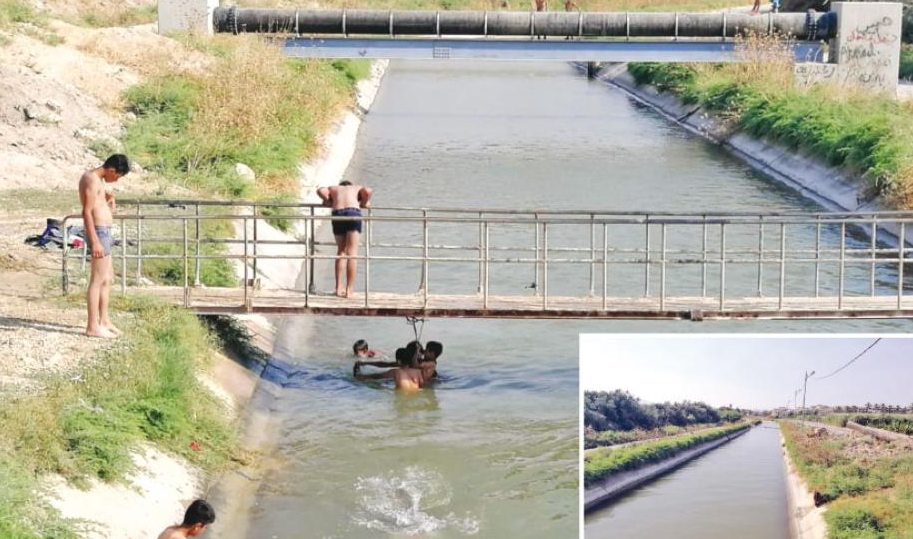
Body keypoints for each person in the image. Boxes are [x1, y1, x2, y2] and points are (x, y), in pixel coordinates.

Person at [79, 154, 130, 339]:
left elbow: (97, 199)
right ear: (111, 169)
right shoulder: (90, 179)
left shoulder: (98, 181)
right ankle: (92, 326)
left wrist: (108, 197)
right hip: (98, 233)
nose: (116, 180)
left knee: (107, 278)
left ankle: (105, 320)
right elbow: (86, 212)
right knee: (97, 279)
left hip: (104, 232)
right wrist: (94, 241)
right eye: (117, 176)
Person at [316, 180, 373, 298]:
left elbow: (320, 190)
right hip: (353, 213)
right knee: (352, 253)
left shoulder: (334, 188)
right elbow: (368, 191)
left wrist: (327, 201)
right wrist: (365, 202)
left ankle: (338, 288)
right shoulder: (357, 187)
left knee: (341, 251)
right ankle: (349, 290)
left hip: (338, 213)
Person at [353, 345, 437, 392]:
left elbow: (376, 376)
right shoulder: (419, 372)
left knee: (375, 385)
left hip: (402, 397)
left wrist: (357, 377)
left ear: (399, 362)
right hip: (416, 395)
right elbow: (423, 385)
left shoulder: (396, 372)